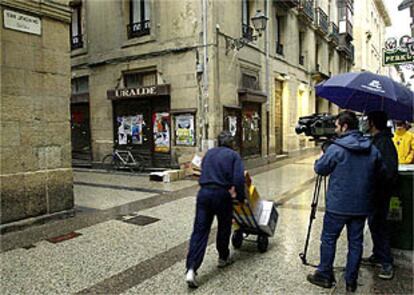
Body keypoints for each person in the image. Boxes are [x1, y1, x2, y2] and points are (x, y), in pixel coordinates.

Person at [307, 111, 386, 293]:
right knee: (355, 242)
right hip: (361, 206)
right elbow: (381, 173)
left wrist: (322, 154)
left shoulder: (336, 148)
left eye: (336, 125)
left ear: (344, 126)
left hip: (338, 206)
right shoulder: (372, 148)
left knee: (328, 239)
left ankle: (325, 275)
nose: (335, 129)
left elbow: (320, 169)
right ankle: (351, 281)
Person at [185, 131, 245, 288]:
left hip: (203, 194)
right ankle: (223, 258)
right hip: (221, 195)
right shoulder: (234, 156)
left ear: (218, 142)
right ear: (231, 143)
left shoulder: (209, 153)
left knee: (199, 231)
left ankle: (191, 269)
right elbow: (239, 179)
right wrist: (240, 197)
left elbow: (202, 171)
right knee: (224, 227)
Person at [361, 111, 398, 280]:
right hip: (374, 192)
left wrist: (374, 181)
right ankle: (377, 254)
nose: (365, 123)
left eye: (367, 121)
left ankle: (386, 263)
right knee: (375, 225)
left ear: (373, 123)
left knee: (379, 226)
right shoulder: (377, 140)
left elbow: (388, 172)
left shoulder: (384, 143)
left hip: (379, 193)